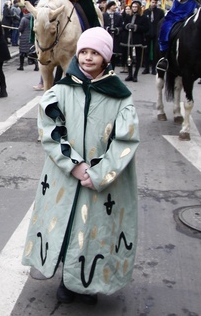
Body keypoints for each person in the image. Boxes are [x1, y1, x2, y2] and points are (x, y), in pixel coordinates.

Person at [22, 27, 139, 306]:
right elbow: (49, 129)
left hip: (102, 181)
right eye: (84, 51)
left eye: (95, 53)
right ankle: (67, 279)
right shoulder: (61, 90)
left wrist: (99, 172)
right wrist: (74, 165)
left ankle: (88, 282)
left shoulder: (120, 96)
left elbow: (126, 140)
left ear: (106, 58)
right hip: (66, 175)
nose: (88, 58)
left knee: (94, 229)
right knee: (67, 223)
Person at [121, 1, 149, 82]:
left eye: (136, 7)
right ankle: (130, 74)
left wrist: (136, 27)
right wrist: (127, 26)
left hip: (138, 40)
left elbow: (146, 28)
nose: (134, 8)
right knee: (128, 57)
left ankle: (135, 74)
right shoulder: (128, 16)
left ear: (139, 8)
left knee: (138, 57)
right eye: (133, 7)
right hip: (128, 40)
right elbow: (123, 26)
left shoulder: (143, 17)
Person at [142, 0, 165, 75]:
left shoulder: (160, 12)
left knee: (155, 51)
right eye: (152, 2)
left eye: (155, 2)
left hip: (156, 33)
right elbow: (144, 23)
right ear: (150, 2)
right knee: (146, 51)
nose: (153, 4)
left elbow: (162, 22)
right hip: (147, 33)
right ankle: (146, 68)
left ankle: (154, 68)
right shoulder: (145, 12)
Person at [17, 5, 39, 72]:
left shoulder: (23, 19)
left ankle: (21, 66)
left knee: (22, 53)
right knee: (32, 51)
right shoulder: (34, 18)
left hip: (24, 37)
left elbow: (20, 28)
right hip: (32, 37)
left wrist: (19, 30)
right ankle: (36, 66)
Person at [103, 1, 124, 68]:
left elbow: (121, 27)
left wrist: (116, 29)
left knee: (114, 55)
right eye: (113, 5)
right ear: (109, 6)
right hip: (106, 38)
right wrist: (107, 29)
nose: (115, 7)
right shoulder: (104, 15)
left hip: (115, 38)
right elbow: (101, 25)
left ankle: (113, 69)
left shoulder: (118, 16)